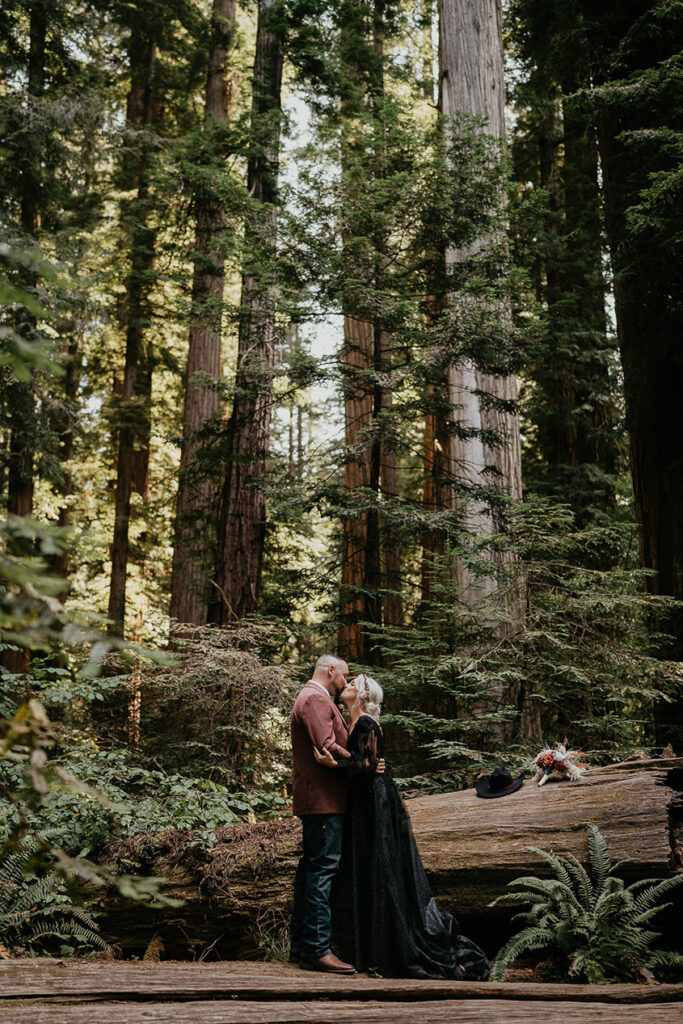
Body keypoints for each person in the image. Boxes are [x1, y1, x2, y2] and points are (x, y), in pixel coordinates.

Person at [315, 673, 490, 981]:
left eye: (355, 684)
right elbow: (369, 763)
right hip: (363, 800)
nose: (349, 685)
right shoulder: (355, 722)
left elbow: (368, 765)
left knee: (380, 867)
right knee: (364, 866)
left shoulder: (367, 724)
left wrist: (334, 765)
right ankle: (364, 946)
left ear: (364, 697)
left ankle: (389, 947)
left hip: (374, 802)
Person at [289, 654, 384, 975]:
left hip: (322, 799)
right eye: (344, 675)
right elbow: (326, 746)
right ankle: (317, 949)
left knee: (313, 869)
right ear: (330, 671)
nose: (347, 681)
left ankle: (304, 948)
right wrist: (363, 761)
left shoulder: (315, 697)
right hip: (323, 799)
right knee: (322, 871)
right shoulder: (315, 699)